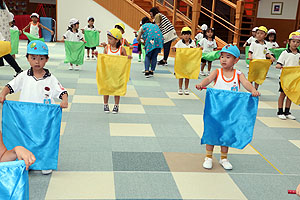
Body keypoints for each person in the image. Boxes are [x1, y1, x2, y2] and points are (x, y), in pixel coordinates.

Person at [0, 40, 68, 174]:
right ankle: (26, 160)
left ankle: (45, 161)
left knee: (44, 138)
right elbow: (10, 86)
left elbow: (62, 92)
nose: (37, 62)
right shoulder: (23, 76)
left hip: (44, 117)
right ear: (27, 58)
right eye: (33, 58)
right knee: (24, 137)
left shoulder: (51, 78)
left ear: (47, 60)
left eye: (41, 58)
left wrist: (64, 100)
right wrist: (3, 94)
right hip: (25, 116)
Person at [196, 44, 260, 170]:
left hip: (230, 111)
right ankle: (208, 157)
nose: (223, 59)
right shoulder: (217, 72)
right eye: (222, 57)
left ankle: (223, 158)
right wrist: (201, 84)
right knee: (212, 131)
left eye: (228, 57)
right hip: (215, 110)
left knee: (227, 132)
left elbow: (246, 83)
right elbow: (208, 79)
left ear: (236, 60)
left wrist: (253, 90)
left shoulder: (238, 74)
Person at [102, 28, 130, 114]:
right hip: (108, 73)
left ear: (117, 40)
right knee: (106, 89)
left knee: (116, 89)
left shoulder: (121, 49)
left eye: (110, 39)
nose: (108, 41)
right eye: (108, 38)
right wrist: (97, 55)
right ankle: (105, 104)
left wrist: (127, 58)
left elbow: (125, 60)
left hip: (117, 74)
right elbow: (103, 59)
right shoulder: (107, 48)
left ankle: (116, 105)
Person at [275, 31, 300, 120]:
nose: (295, 44)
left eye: (298, 42)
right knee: (283, 94)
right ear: (289, 42)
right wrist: (279, 66)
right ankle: (280, 111)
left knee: (290, 95)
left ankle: (287, 111)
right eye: (293, 41)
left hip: (294, 79)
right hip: (285, 78)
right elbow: (279, 63)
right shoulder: (285, 53)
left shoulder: (299, 54)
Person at [0, 0, 23, 76]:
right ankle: (18, 70)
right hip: (5, 33)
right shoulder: (3, 5)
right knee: (5, 53)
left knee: (5, 53)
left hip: (1, 35)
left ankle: (18, 70)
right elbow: (10, 19)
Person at [173, 27, 196, 95]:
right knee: (181, 75)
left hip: (189, 62)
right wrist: (174, 48)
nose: (186, 36)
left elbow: (195, 51)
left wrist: (196, 49)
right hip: (181, 62)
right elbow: (175, 48)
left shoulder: (193, 42)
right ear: (182, 35)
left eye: (188, 34)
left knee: (187, 76)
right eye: (184, 34)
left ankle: (186, 88)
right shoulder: (179, 42)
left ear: (190, 35)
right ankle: (180, 88)